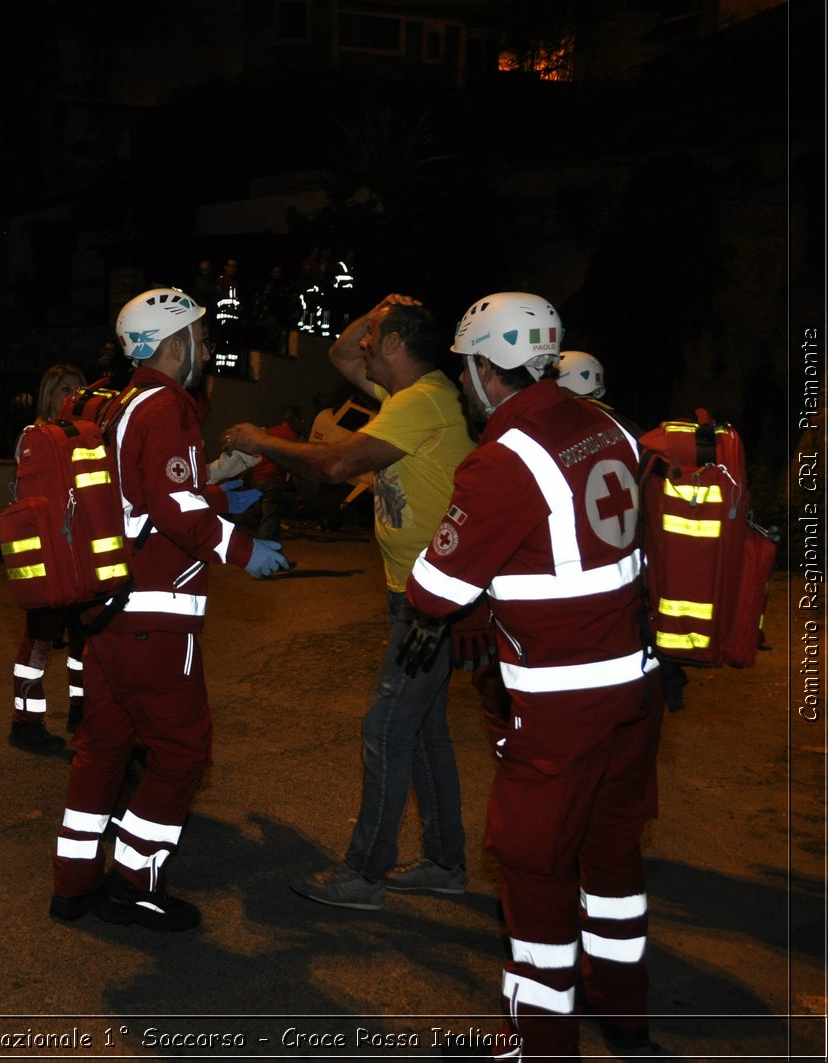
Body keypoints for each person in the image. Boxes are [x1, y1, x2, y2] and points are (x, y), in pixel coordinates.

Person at [405, 292, 662, 1061]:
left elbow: (434, 591)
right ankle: (624, 1009)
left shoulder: (504, 458)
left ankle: (538, 1042)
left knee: (534, 867)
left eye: (463, 368)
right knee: (613, 855)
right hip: (638, 687)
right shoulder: (607, 422)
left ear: (488, 366)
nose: (460, 382)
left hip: (558, 702)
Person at [222, 293, 476, 910]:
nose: (361, 344)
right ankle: (445, 863)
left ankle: (365, 875)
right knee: (423, 735)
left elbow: (336, 464)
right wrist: (382, 307)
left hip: (431, 607)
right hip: (418, 597)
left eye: (375, 336)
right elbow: (339, 351)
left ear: (396, 347)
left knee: (386, 729)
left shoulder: (422, 402)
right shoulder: (408, 396)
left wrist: (260, 441)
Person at [50, 288, 286, 933]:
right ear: (174, 342)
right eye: (201, 338)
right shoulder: (169, 405)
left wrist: (218, 493)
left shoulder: (120, 403)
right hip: (153, 611)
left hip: (107, 608)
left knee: (103, 745)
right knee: (182, 751)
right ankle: (132, 885)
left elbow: (149, 494)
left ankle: (73, 884)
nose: (207, 350)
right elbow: (173, 506)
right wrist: (242, 549)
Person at [7, 364, 87, 755]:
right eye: (64, 389)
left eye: (79, 389)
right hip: (45, 555)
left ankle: (81, 710)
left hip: (77, 554)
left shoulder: (82, 437)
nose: (72, 396)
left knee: (84, 640)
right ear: (48, 395)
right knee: (39, 642)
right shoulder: (33, 437)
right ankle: (26, 724)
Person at [244, 405, 302, 541]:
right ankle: (263, 547)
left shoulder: (269, 431)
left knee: (259, 513)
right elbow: (293, 461)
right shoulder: (291, 436)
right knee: (270, 517)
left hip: (257, 476)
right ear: (295, 421)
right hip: (273, 479)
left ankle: (269, 545)